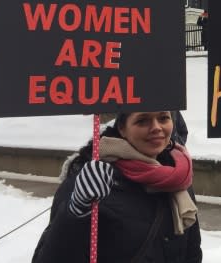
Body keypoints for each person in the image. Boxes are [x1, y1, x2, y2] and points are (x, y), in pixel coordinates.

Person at [33, 111, 202, 263]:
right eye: (142, 121)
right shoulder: (92, 180)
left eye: (163, 118)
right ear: (122, 128)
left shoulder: (178, 178)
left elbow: (191, 253)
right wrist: (75, 213)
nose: (156, 127)